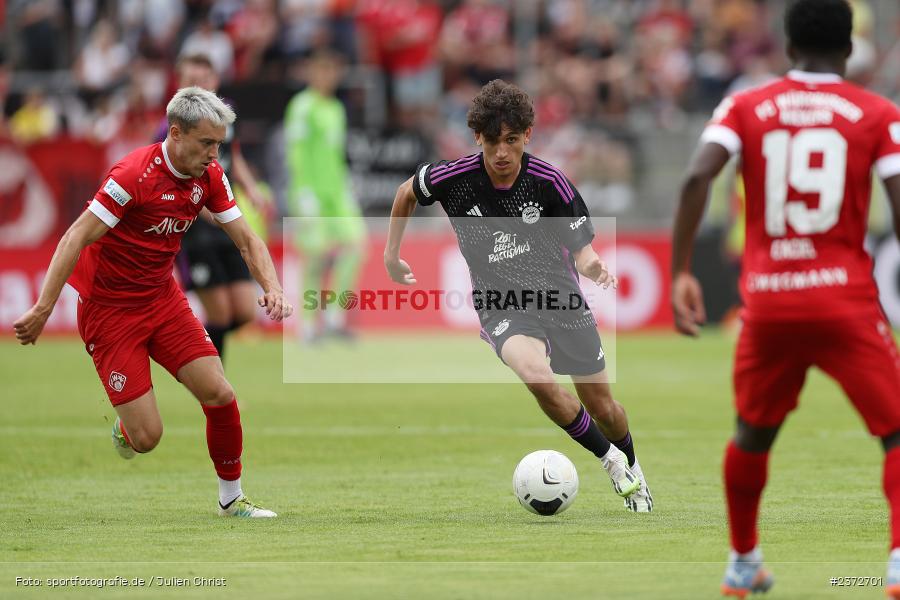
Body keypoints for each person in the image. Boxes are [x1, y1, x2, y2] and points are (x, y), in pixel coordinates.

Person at [671, 0, 900, 596]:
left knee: (752, 432)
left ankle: (743, 562)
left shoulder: (745, 105)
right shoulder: (876, 113)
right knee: (897, 433)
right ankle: (899, 565)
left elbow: (697, 175)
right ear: (850, 48)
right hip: (845, 302)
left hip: (768, 302)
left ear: (789, 47)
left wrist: (680, 272)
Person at [13, 87, 293, 518]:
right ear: (176, 133)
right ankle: (127, 428)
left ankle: (231, 499)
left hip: (162, 300)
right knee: (147, 438)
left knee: (219, 392)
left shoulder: (210, 176)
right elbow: (75, 236)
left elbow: (246, 239)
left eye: (218, 144)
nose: (214, 154)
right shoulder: (132, 177)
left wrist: (272, 286)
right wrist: (44, 308)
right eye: (206, 143)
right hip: (109, 312)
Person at [384, 79, 653, 512]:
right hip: (502, 305)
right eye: (493, 141)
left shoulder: (549, 183)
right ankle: (610, 461)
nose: (502, 152)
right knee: (536, 376)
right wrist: (391, 254)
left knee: (603, 407)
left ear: (528, 135)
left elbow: (582, 249)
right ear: (478, 138)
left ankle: (633, 465)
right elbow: (406, 193)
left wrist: (592, 265)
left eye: (512, 140)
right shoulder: (455, 178)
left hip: (561, 301)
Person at [159, 54, 270, 363]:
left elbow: (234, 156)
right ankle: (215, 387)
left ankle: (190, 348)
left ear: (215, 81)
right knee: (219, 313)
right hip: (195, 232)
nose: (200, 86)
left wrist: (249, 188)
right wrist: (215, 214)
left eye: (205, 79)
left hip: (223, 222)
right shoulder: (171, 127)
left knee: (245, 311)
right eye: (192, 81)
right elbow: (172, 183)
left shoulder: (223, 117)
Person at [284, 49, 365, 342]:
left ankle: (334, 315)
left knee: (357, 246)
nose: (327, 77)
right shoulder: (302, 106)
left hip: (336, 193)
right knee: (316, 255)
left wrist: (346, 184)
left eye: (332, 71)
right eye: (322, 70)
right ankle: (306, 324)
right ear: (312, 72)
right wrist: (302, 190)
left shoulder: (336, 109)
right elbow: (295, 150)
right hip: (310, 193)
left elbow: (336, 154)